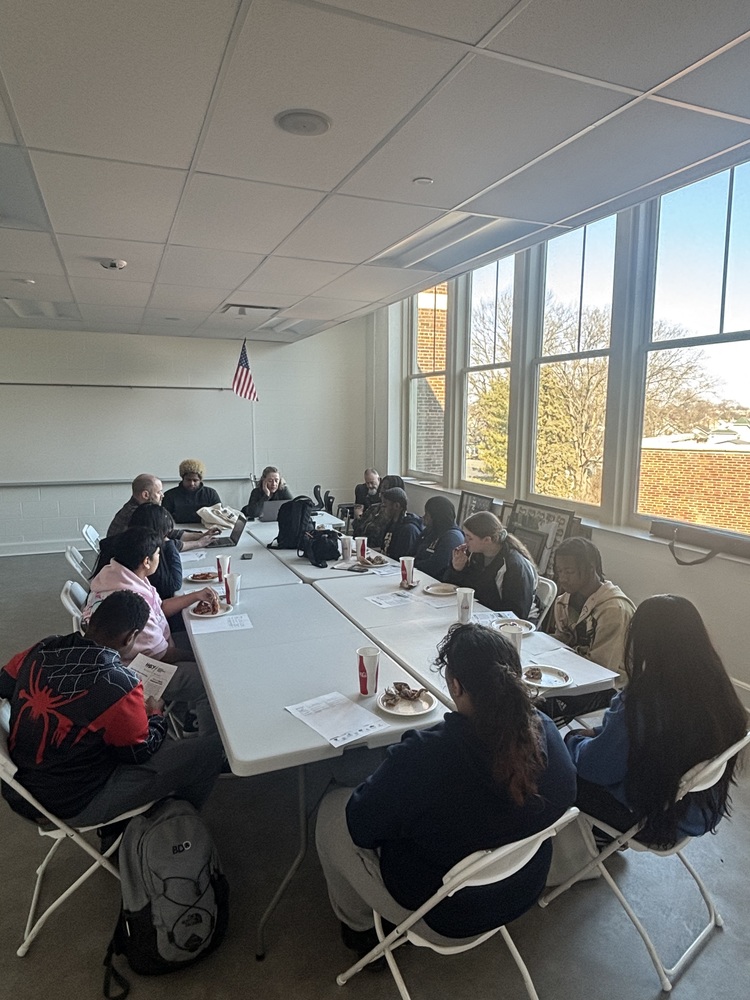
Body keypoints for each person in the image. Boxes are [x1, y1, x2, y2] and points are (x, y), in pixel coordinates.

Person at [315, 624, 576, 956]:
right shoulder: (547, 734)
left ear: (455, 685)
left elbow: (361, 826)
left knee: (331, 811)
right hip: (524, 889)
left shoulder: (425, 757)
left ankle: (363, 933)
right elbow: (564, 793)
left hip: (446, 916)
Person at [0, 591, 223, 828]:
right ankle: (177, 820)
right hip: (72, 804)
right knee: (209, 750)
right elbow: (140, 752)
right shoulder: (118, 686)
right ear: (131, 637)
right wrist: (156, 714)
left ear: (91, 621)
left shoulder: (43, 648)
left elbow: (4, 683)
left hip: (21, 790)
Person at [565, 596, 747, 848]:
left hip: (652, 821)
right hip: (696, 812)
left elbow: (595, 767)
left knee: (559, 763)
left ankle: (582, 841)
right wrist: (602, 734)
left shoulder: (644, 701)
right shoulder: (718, 691)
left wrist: (573, 740)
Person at [82, 527, 218, 735]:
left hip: (132, 659)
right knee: (209, 680)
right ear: (146, 561)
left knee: (198, 643)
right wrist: (200, 658)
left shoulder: (118, 574)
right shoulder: (130, 602)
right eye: (157, 554)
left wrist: (194, 596)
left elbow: (159, 608)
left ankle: (191, 713)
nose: (159, 558)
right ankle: (209, 744)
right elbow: (162, 655)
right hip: (136, 671)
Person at [551, 537, 635, 678]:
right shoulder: (564, 601)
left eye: (569, 572)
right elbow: (565, 638)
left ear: (591, 569)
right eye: (559, 571)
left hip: (610, 686)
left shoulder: (613, 610)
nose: (563, 578)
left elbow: (601, 669)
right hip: (573, 671)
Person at [444, 511, 538, 619]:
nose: (465, 541)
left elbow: (516, 613)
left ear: (487, 540)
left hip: (509, 621)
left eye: (469, 537)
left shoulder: (514, 565)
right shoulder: (474, 554)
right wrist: (456, 569)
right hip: (481, 612)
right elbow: (457, 589)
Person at [92, 503, 183, 601]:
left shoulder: (118, 543)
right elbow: (173, 585)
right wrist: (169, 543)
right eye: (165, 533)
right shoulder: (142, 556)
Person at [107, 472, 217, 551]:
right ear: (145, 495)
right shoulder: (139, 515)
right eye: (159, 492)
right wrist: (198, 544)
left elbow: (168, 532)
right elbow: (165, 544)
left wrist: (201, 536)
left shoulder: (141, 509)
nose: (162, 496)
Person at [414, 496, 464, 580]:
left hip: (435, 582)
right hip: (418, 575)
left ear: (436, 516)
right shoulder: (430, 531)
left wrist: (414, 563)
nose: (424, 517)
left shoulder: (452, 537)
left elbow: (436, 566)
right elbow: (412, 551)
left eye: (427, 514)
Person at [351, 474, 405, 549]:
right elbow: (357, 527)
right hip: (359, 546)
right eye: (382, 487)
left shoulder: (394, 517)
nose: (382, 490)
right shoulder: (374, 508)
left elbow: (384, 544)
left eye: (386, 488)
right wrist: (357, 517)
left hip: (374, 551)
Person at [162, 458, 221, 524]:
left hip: (206, 529)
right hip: (178, 530)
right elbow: (164, 519)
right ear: (182, 478)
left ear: (200, 480)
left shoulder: (211, 494)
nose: (192, 483)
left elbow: (219, 516)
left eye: (195, 480)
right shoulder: (170, 495)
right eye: (188, 480)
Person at [380, 487, 423, 561]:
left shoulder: (409, 530)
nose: (382, 509)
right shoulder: (391, 523)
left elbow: (404, 558)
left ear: (396, 506)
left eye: (385, 505)